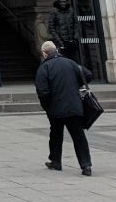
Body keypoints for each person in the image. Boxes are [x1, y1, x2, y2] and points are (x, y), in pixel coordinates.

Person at [34, 40, 93, 176]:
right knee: (78, 135)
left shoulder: (44, 68)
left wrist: (47, 107)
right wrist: (76, 84)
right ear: (56, 50)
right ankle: (86, 165)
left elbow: (42, 91)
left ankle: (56, 161)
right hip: (74, 105)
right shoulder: (71, 63)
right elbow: (88, 75)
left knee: (55, 134)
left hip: (55, 108)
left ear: (44, 54)